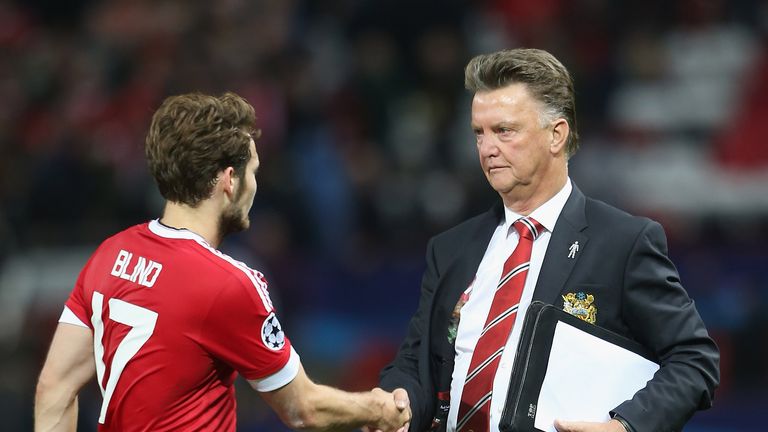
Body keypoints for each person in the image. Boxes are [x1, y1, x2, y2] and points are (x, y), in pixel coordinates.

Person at [378, 48, 719, 432]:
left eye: (504, 131)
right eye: (479, 133)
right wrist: (397, 404)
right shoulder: (451, 249)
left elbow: (694, 359)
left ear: (556, 135)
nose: (487, 148)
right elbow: (415, 364)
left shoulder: (622, 243)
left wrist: (624, 427)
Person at [34, 92, 412, 432]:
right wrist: (376, 409)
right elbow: (303, 409)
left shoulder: (111, 253)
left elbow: (55, 387)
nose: (255, 186)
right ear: (229, 180)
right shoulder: (228, 283)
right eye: (253, 172)